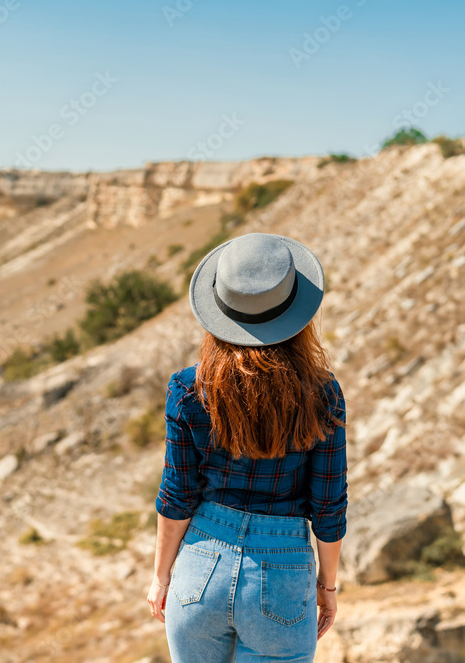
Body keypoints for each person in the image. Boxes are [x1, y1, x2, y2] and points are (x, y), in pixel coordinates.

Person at [146, 232, 347, 663]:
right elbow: (328, 505)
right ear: (296, 316)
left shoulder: (187, 390)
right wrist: (327, 588)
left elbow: (177, 496)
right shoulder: (323, 394)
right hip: (282, 574)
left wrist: (162, 576)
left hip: (200, 568)